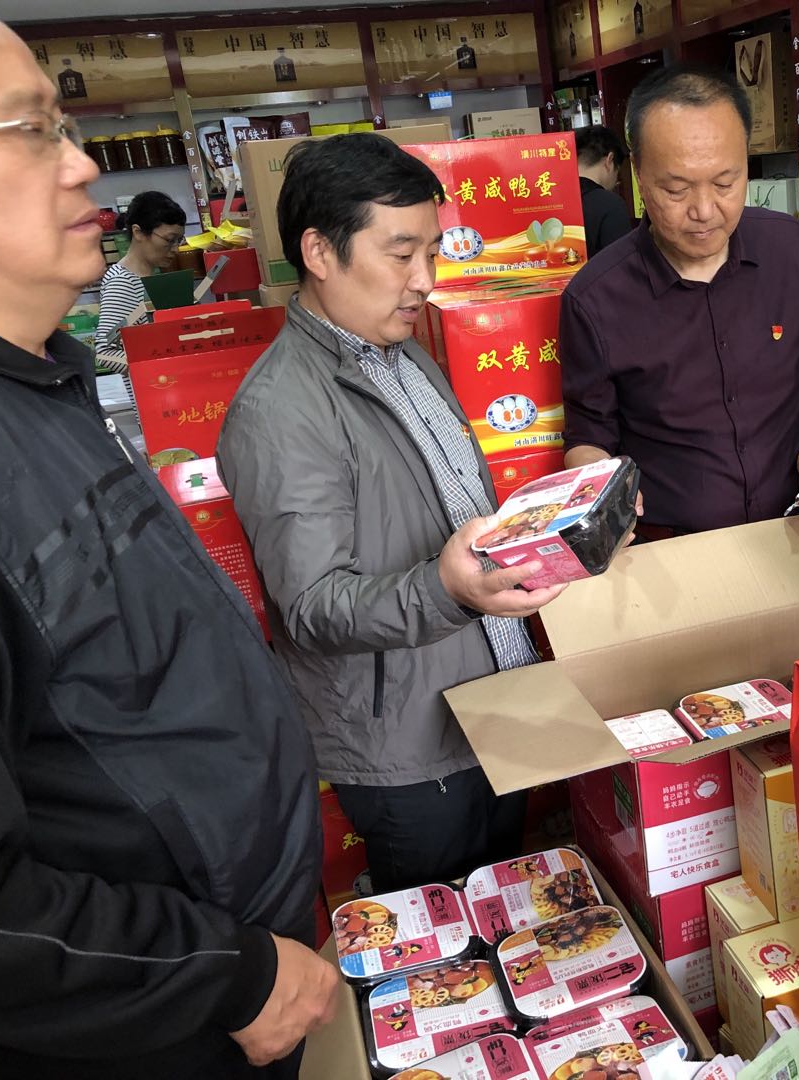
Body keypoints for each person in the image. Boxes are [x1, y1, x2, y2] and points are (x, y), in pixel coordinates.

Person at [0, 4, 335, 1078]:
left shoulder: (30, 378)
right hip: (155, 1024)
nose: (82, 166)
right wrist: (227, 976)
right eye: (30, 130)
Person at [216, 134, 566, 895]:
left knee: (511, 910)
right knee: (443, 938)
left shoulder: (403, 355)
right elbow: (312, 607)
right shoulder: (280, 411)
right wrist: (447, 589)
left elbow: (453, 506)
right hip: (408, 746)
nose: (426, 281)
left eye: (432, 253)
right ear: (319, 251)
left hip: (490, 702)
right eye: (401, 254)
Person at [560, 66, 799, 537]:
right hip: (672, 552)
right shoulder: (594, 298)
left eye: (726, 183)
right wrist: (603, 490)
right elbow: (587, 438)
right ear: (637, 175)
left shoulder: (789, 247)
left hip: (795, 532)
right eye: (677, 190)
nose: (705, 211)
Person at [95, 188, 186, 367]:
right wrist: (154, 370)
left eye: (179, 240)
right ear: (138, 232)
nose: (176, 249)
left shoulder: (149, 275)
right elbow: (105, 353)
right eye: (169, 240)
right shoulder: (122, 282)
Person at [576, 124, 632, 256]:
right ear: (609, 160)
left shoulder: (551, 201)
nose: (616, 181)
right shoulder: (611, 205)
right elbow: (622, 262)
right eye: (617, 172)